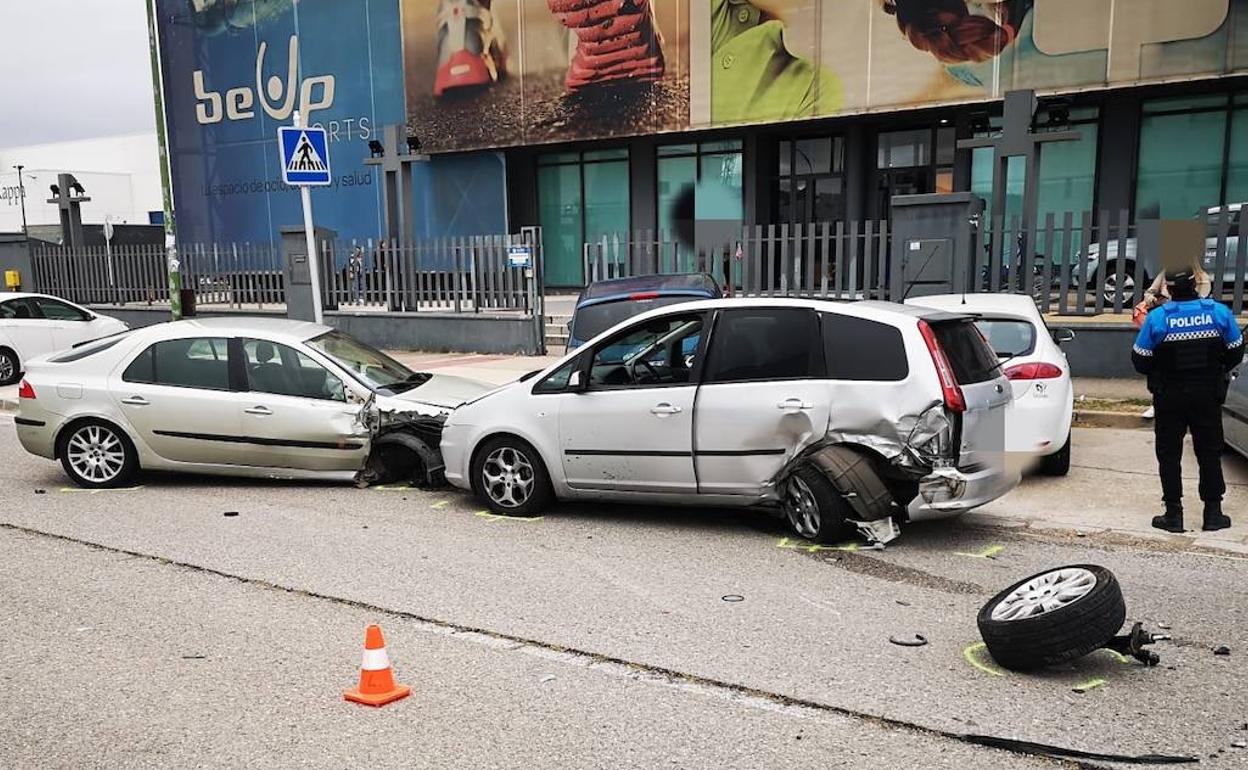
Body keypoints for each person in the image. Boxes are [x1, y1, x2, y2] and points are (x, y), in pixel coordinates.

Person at [1131, 270, 1244, 533]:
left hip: (1169, 395)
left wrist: (1163, 370)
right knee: (1209, 452)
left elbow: (1140, 360)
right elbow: (1236, 350)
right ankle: (1213, 513)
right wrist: (1215, 370)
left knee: (1169, 454)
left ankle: (1173, 515)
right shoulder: (1218, 312)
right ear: (1195, 284)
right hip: (1207, 394)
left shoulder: (1158, 317)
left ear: (1168, 290)